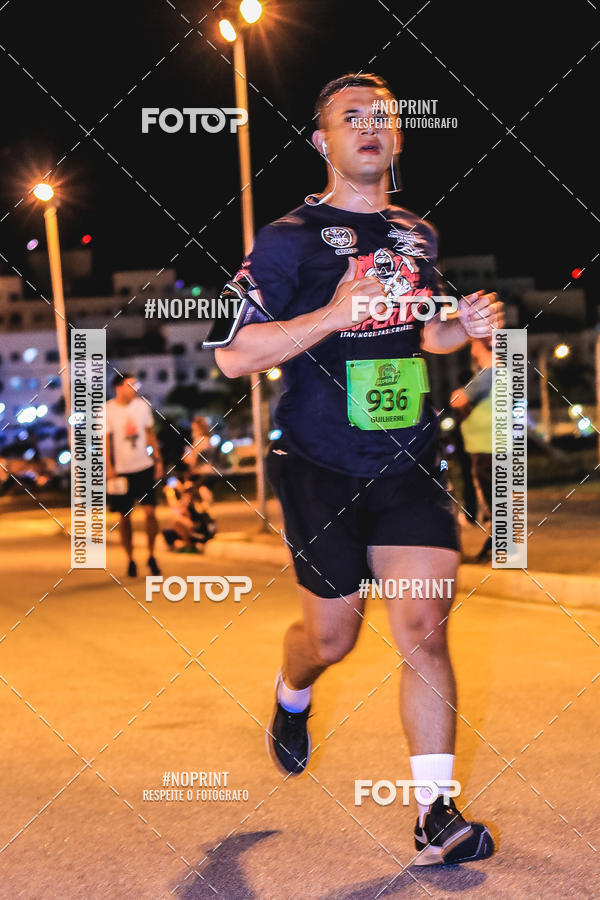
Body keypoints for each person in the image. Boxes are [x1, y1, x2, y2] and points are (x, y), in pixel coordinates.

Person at [207, 73, 503, 866]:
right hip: (318, 465)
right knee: (331, 637)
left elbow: (422, 337)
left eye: (383, 118)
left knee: (422, 627)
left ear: (398, 138)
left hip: (406, 459)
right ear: (323, 142)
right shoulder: (287, 240)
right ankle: (292, 692)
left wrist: (461, 324)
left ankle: (435, 815)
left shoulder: (417, 235)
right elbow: (237, 356)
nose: (369, 128)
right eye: (350, 119)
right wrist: (334, 313)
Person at [105, 372, 164, 577]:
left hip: (144, 467)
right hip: (122, 471)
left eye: (136, 385)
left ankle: (151, 555)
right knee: (125, 517)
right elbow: (105, 440)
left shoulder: (142, 406)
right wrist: (109, 468)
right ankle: (130, 559)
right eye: (130, 385)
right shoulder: (107, 410)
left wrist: (157, 459)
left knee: (150, 512)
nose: (134, 389)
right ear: (118, 388)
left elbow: (150, 433)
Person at [450, 338, 494, 562]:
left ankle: (499, 544)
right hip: (487, 444)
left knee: (491, 496)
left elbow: (457, 399)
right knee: (493, 496)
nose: (472, 348)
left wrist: (462, 398)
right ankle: (497, 544)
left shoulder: (489, 373)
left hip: (488, 446)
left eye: (475, 343)